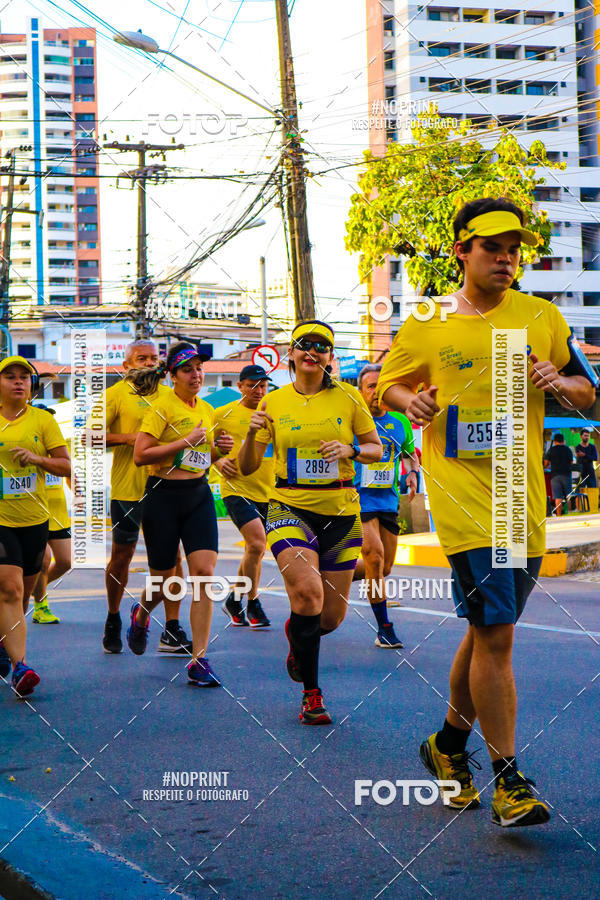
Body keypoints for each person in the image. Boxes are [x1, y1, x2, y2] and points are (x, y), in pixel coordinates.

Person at [377, 197, 597, 827]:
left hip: (520, 499)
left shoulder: (542, 315)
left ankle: (445, 746)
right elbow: (387, 383)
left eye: (514, 249)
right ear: (460, 252)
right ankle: (510, 780)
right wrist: (407, 401)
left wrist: (560, 382)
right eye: (492, 247)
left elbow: (590, 395)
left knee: (483, 630)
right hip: (464, 500)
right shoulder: (428, 320)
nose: (506, 258)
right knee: (497, 637)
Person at [239, 321, 382, 724]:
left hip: (339, 510)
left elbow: (374, 448)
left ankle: (297, 634)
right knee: (307, 592)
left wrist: (351, 448)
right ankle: (312, 694)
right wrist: (251, 436)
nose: (312, 351)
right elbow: (248, 466)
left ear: (329, 357)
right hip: (288, 506)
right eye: (304, 344)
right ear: (292, 354)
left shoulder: (350, 398)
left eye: (321, 346)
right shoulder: (275, 403)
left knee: (330, 618)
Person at [130, 342, 233, 686]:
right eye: (188, 369)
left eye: (200, 368)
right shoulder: (160, 408)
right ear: (172, 375)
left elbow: (206, 455)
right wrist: (184, 442)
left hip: (198, 495)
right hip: (163, 497)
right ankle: (142, 614)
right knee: (164, 581)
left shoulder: (206, 408)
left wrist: (220, 451)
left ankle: (199, 660)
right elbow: (141, 455)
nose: (196, 375)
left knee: (203, 573)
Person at [99, 340, 191, 655]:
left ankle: (172, 626)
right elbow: (89, 436)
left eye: (154, 358)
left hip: (167, 489)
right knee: (122, 556)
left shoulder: (172, 394)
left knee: (173, 560)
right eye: (141, 358)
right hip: (128, 489)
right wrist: (133, 439)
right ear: (126, 365)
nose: (149, 363)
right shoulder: (115, 395)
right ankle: (113, 616)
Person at [0, 356, 70, 696]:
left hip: (35, 519)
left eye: (24, 378)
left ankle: (5, 642)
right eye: (9, 376)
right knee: (9, 588)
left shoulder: (43, 421)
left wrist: (38, 459)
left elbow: (66, 466)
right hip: (1, 520)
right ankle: (20, 667)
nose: (18, 382)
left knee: (23, 594)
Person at [351, 363, 419, 649]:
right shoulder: (352, 421)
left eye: (381, 387)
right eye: (370, 387)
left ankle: (332, 573)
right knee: (375, 557)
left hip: (387, 500)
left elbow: (409, 454)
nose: (376, 392)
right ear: (360, 391)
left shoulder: (400, 422)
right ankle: (384, 628)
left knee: (384, 567)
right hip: (357, 499)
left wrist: (413, 473)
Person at [214, 364, 275, 628]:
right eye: (252, 385)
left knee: (255, 550)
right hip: (236, 489)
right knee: (258, 544)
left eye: (262, 385)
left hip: (269, 492)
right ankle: (253, 603)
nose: (258, 390)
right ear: (240, 386)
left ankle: (233, 600)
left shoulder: (275, 412)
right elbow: (202, 447)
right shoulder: (222, 413)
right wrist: (216, 463)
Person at [28, 404, 71, 624]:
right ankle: (40, 605)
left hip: (59, 512)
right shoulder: (30, 448)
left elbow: (69, 472)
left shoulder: (58, 448)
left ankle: (33, 590)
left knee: (65, 562)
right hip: (36, 510)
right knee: (43, 560)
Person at [544, 433, 574, 516]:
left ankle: (559, 515)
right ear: (563, 441)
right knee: (568, 495)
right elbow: (571, 462)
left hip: (555, 476)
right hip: (566, 475)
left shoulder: (551, 450)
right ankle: (569, 513)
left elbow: (546, 463)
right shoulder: (568, 449)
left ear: (555, 441)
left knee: (558, 496)